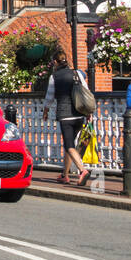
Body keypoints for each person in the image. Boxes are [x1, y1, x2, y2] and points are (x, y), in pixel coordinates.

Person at [43, 49, 91, 186]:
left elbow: (50, 96)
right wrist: (88, 112)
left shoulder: (54, 77)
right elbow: (86, 92)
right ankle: (65, 175)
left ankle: (83, 171)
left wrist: (45, 111)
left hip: (65, 115)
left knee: (69, 145)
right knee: (70, 145)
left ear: (55, 62)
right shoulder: (77, 74)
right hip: (79, 113)